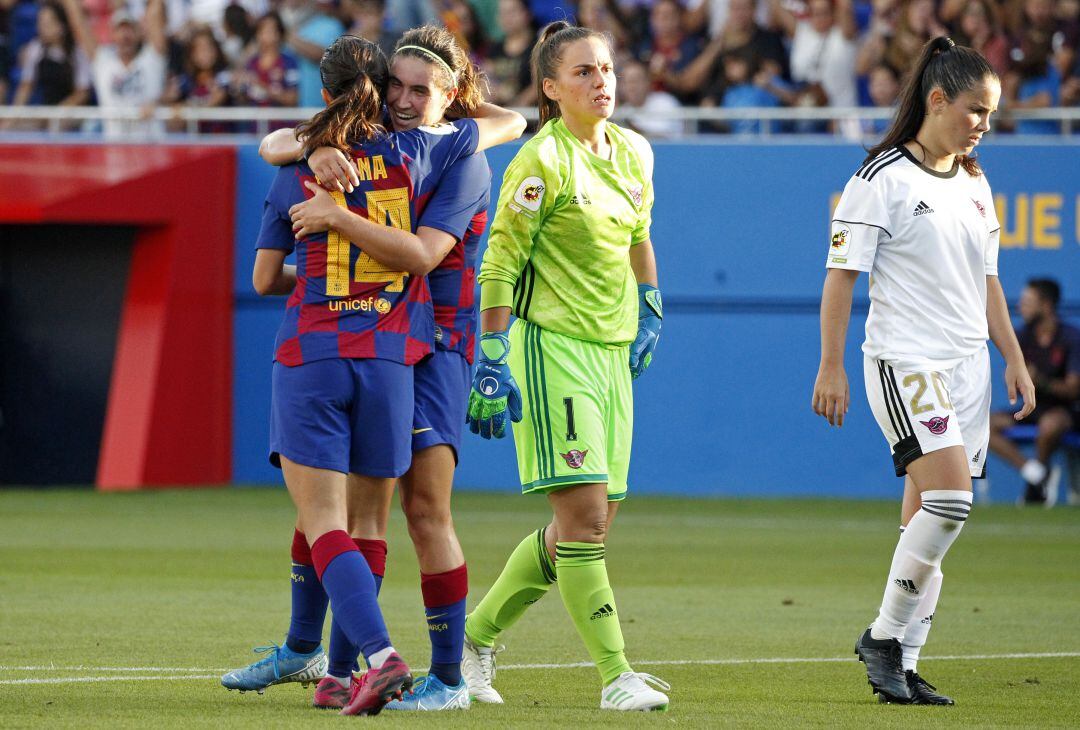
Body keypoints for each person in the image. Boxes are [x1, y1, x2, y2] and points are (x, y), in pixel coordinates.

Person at [239, 27, 527, 711]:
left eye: (419, 89)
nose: (401, 99)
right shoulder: (393, 148)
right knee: (359, 512)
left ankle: (447, 677)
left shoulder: (459, 152)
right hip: (393, 343)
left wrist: (329, 203)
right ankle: (334, 666)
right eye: (391, 85)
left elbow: (425, 253)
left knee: (418, 510)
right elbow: (276, 141)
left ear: (454, 96)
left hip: (433, 346)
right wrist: (317, 142)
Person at [812, 37, 1035, 705]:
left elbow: (989, 281)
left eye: (991, 114)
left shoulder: (973, 179)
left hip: (969, 366)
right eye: (976, 111)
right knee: (951, 501)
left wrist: (1014, 358)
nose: (984, 126)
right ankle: (884, 636)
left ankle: (901, 666)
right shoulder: (880, 177)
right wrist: (831, 365)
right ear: (937, 101)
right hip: (906, 359)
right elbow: (841, 277)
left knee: (924, 524)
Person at [461, 20, 670, 712]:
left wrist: (650, 304)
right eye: (582, 72)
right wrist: (493, 351)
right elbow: (499, 262)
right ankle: (616, 676)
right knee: (582, 518)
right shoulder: (539, 161)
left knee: (592, 520)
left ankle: (472, 643)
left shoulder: (635, 152)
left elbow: (639, 236)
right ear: (549, 88)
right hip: (553, 349)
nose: (601, 81)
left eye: (605, 68)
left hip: (613, 356)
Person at [989, 279, 1080, 505]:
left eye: (1028, 302)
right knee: (985, 425)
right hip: (1029, 408)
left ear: (1046, 305)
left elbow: (1073, 389)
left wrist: (1040, 381)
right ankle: (1036, 474)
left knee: (1050, 424)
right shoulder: (1021, 336)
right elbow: (1013, 379)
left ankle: (1038, 481)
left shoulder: (1071, 337)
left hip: (1063, 410)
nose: (1021, 307)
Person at [62, 0, 168, 137]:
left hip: (151, 146)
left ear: (139, 33)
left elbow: (155, 14)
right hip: (116, 148)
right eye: (120, 30)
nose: (125, 36)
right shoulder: (104, 64)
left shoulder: (151, 61)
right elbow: (78, 22)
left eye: (130, 30)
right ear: (112, 35)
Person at [5, 1, 90, 129]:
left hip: (72, 112)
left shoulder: (77, 52)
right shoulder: (36, 49)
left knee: (57, 127)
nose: (41, 28)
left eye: (47, 24)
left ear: (62, 26)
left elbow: (82, 93)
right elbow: (26, 87)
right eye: (40, 23)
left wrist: (58, 113)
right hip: (46, 111)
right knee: (18, 128)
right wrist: (13, 117)